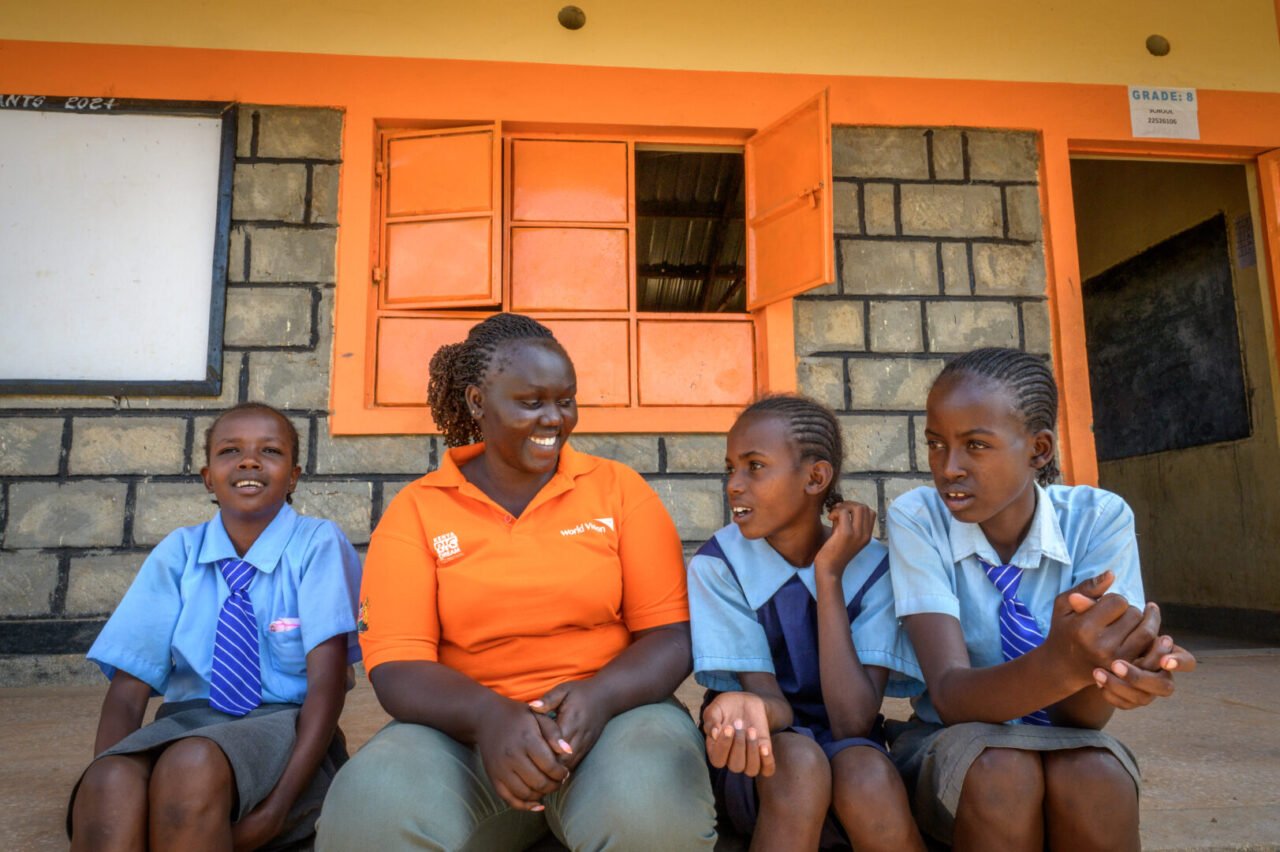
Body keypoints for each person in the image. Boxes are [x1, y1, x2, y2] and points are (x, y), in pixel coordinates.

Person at [317, 313, 716, 851]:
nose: (554, 418)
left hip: (615, 719)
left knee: (649, 809)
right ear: (478, 402)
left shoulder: (618, 490)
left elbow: (670, 635)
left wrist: (598, 698)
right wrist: (490, 718)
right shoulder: (418, 510)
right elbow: (397, 666)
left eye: (566, 400)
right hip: (462, 736)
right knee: (368, 811)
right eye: (531, 402)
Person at [885, 348, 1196, 851]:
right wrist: (1065, 659)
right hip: (950, 739)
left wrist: (1118, 674)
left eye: (976, 445)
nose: (949, 468)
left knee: (1098, 776)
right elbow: (949, 695)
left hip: (1065, 730)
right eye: (936, 444)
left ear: (1039, 449)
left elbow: (1085, 719)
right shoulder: (919, 518)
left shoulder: (1098, 519)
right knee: (1003, 772)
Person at [68, 402, 362, 851]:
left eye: (270, 451)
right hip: (186, 722)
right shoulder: (179, 552)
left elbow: (328, 687)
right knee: (109, 778)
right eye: (230, 451)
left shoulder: (317, 544)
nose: (249, 461)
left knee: (190, 764)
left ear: (295, 477)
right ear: (208, 477)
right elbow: (128, 691)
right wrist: (111, 773)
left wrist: (276, 808)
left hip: (282, 727)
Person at [688, 395, 925, 851]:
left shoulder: (873, 568)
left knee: (868, 773)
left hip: (848, 744)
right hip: (759, 745)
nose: (734, 484)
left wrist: (829, 575)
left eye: (755, 466)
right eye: (730, 468)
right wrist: (747, 712)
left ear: (815, 477)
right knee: (798, 763)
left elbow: (853, 720)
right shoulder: (719, 565)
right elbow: (766, 704)